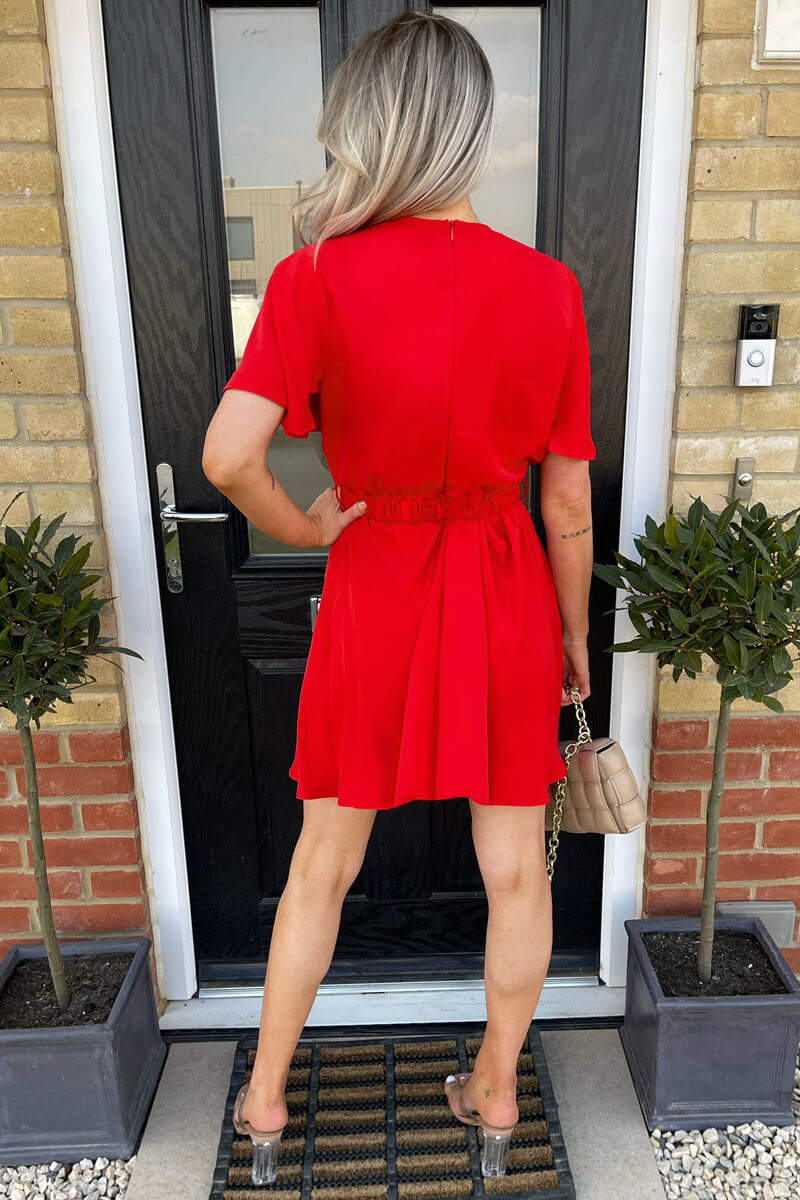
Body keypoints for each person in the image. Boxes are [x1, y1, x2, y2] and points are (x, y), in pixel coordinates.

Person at [202, 9, 595, 1185]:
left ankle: (265, 1107)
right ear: (467, 133)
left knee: (321, 857)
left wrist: (303, 523)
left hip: (376, 584)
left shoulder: (313, 276)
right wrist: (572, 635)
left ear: (368, 128)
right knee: (515, 866)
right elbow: (565, 504)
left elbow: (228, 458)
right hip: (502, 585)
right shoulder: (547, 290)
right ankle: (489, 1103)